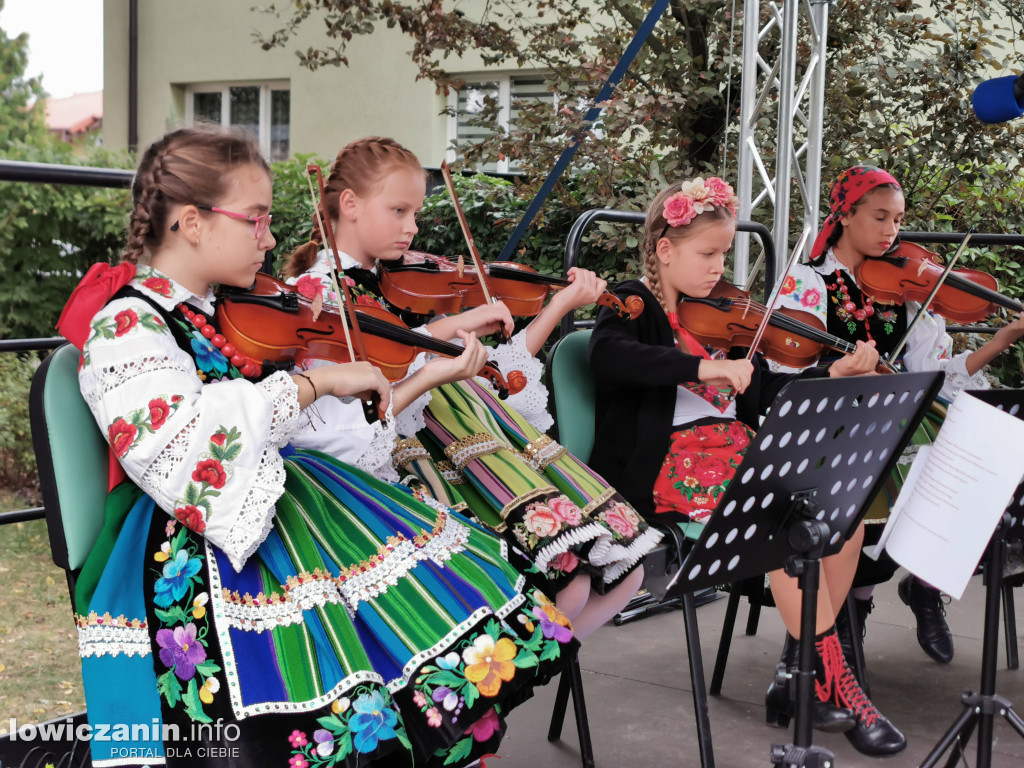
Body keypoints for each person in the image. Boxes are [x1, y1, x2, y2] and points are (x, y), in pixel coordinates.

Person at [56, 125, 578, 768]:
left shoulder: (225, 310)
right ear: (191, 223)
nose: (271, 239)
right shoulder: (127, 325)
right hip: (203, 533)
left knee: (439, 663)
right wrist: (315, 381)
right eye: (254, 220)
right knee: (353, 706)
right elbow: (184, 448)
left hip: (292, 497)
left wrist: (360, 372)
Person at [280, 136, 662, 642]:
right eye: (398, 210)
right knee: (563, 586)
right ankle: (516, 662)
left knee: (618, 571)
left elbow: (500, 374)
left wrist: (552, 305)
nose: (412, 228)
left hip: (463, 423)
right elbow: (375, 385)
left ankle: (538, 657)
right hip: (405, 457)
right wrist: (449, 331)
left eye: (414, 212)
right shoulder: (320, 297)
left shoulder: (392, 285)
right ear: (348, 204)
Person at [587, 176, 908, 757]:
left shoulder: (719, 316)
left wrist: (830, 375)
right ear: (665, 249)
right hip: (663, 462)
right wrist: (701, 370)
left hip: (732, 451)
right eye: (706, 255)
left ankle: (800, 673)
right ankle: (836, 685)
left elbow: (760, 395)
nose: (717, 269)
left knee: (842, 513)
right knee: (785, 523)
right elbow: (609, 356)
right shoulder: (628, 299)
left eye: (723, 256)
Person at [774, 165, 1024, 665]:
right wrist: (840, 371)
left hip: (897, 416)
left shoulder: (902, 291)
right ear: (844, 216)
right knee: (872, 492)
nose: (891, 231)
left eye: (899, 219)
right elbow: (785, 367)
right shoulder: (808, 282)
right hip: (834, 421)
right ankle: (841, 620)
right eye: (879, 217)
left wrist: (999, 342)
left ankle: (925, 585)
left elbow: (935, 374)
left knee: (976, 473)